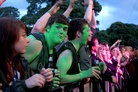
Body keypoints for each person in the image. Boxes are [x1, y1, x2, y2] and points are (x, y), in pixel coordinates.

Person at [23, 0, 69, 90]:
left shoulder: (53, 50)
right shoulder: (36, 43)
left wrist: (49, 80)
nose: (61, 32)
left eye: (65, 29)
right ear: (48, 28)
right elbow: (12, 69)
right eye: (58, 27)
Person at [0, 17, 53, 92]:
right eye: (24, 35)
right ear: (9, 37)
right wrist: (24, 85)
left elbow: (33, 86)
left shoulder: (21, 62)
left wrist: (44, 80)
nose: (28, 40)